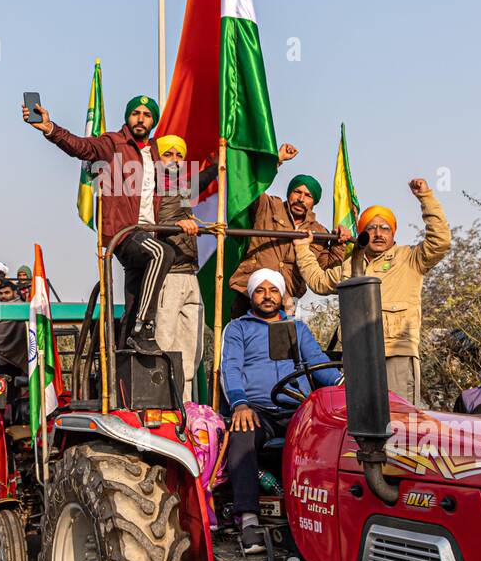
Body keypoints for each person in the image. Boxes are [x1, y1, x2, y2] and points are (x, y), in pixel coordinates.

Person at [24, 95, 174, 353]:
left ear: (153, 121)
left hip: (150, 233)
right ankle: (143, 327)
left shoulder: (157, 153)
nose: (140, 118)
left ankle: (126, 356)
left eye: (147, 115)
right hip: (125, 231)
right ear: (128, 116)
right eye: (136, 113)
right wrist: (50, 128)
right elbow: (81, 147)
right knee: (163, 253)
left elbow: (175, 188)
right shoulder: (114, 143)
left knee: (136, 298)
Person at [295, 178, 451, 408]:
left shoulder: (409, 258)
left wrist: (425, 197)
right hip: (358, 358)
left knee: (398, 421)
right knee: (362, 425)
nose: (378, 233)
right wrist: (301, 248)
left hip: (396, 353)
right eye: (371, 228)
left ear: (393, 233)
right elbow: (318, 282)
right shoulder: (351, 265)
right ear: (363, 234)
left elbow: (440, 241)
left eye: (385, 228)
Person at [221, 269, 342, 555]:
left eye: (273, 290)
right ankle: (248, 519)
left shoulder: (297, 328)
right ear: (252, 295)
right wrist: (239, 404)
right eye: (260, 290)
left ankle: (325, 515)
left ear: (282, 295)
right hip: (257, 410)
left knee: (333, 438)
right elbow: (230, 369)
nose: (267, 295)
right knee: (243, 432)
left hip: (295, 407)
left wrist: (343, 385)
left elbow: (317, 363)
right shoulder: (238, 328)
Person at [229, 154, 349, 318]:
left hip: (285, 303)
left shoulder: (320, 232)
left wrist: (339, 244)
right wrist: (276, 161)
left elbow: (326, 270)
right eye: (297, 192)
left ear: (314, 202)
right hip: (248, 294)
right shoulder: (268, 206)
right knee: (243, 339)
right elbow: (251, 187)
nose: (301, 199)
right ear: (289, 194)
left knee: (280, 343)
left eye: (308, 195)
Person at [153, 135, 209, 402]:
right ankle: (164, 406)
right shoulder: (150, 188)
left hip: (189, 273)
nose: (174, 160)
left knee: (191, 348)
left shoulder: (182, 189)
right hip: (168, 274)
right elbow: (157, 218)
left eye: (179, 155)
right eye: (168, 154)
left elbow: (208, 178)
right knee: (164, 343)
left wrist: (221, 161)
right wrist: (180, 223)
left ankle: (184, 406)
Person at [0, 281, 27, 378]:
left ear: (15, 293)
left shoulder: (22, 307)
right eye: (1, 293)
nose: (3, 296)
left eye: (7, 293)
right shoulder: (22, 306)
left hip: (8, 356)